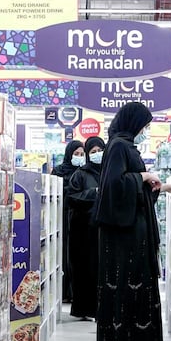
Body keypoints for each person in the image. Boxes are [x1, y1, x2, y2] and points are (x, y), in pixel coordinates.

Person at [93, 102, 171, 341]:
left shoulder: (125, 146)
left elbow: (129, 188)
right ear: (133, 122)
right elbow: (113, 189)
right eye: (144, 125)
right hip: (124, 240)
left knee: (137, 290)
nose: (145, 130)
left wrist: (157, 186)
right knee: (128, 290)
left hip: (132, 234)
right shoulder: (118, 146)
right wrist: (142, 175)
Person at [67, 136, 106, 320]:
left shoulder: (109, 172)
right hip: (83, 231)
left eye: (100, 151)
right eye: (93, 152)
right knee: (85, 270)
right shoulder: (80, 174)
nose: (97, 155)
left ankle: (101, 308)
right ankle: (85, 309)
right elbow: (72, 197)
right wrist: (94, 193)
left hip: (104, 228)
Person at [51, 140, 84, 304]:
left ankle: (74, 292)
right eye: (76, 154)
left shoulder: (84, 173)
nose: (79, 157)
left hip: (77, 219)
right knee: (60, 253)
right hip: (59, 218)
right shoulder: (58, 171)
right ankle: (62, 291)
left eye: (81, 154)